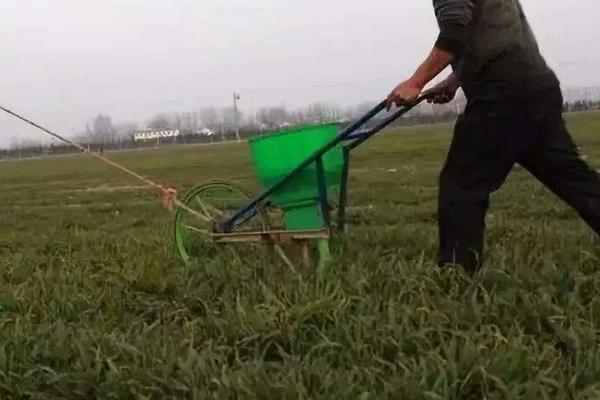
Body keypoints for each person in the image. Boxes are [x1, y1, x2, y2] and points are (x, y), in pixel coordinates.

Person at [386, 0, 600, 274]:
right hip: (536, 85)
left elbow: (454, 31)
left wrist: (415, 82)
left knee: (462, 184)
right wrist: (454, 81)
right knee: (571, 176)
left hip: (501, 95)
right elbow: (493, 33)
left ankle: (457, 276)